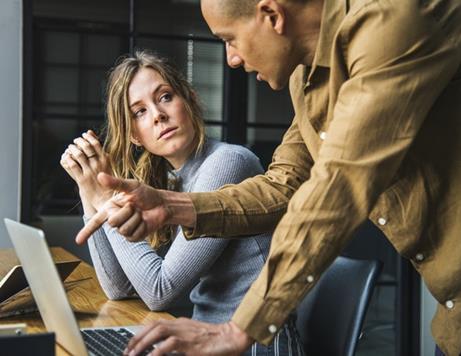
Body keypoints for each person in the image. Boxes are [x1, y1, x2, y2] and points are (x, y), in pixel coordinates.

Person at [76, 0, 461, 355]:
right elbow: (282, 186)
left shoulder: (392, 23)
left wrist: (240, 329)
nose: (231, 58)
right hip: (459, 323)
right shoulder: (307, 81)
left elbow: (337, 187)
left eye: (230, 38)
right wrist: (168, 205)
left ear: (271, 15)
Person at [60, 51, 304, 356]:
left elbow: (158, 291)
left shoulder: (227, 163)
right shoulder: (174, 179)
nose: (158, 115)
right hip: (203, 342)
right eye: (139, 112)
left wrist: (105, 200)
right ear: (135, 136)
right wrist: (89, 191)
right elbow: (118, 289)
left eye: (164, 97)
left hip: (254, 346)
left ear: (189, 99)